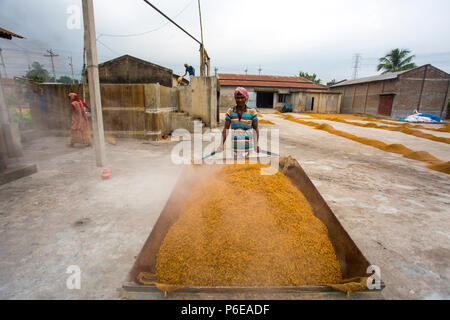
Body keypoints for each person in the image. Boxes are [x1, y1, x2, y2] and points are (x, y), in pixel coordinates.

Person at [221, 87, 259, 157]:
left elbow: (255, 129)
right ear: (235, 98)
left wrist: (256, 144)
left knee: (246, 167)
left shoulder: (252, 112)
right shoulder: (230, 111)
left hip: (248, 149)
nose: (240, 100)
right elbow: (225, 129)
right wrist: (221, 144)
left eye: (242, 97)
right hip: (234, 149)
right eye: (237, 98)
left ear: (246, 98)